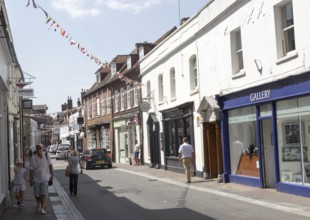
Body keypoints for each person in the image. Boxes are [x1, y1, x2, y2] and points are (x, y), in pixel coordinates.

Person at [29, 144, 53, 215]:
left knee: (44, 193)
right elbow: (31, 169)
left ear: (42, 149)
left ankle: (42, 208)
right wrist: (31, 179)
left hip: (45, 178)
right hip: (36, 179)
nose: (38, 149)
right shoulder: (33, 158)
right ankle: (38, 202)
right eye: (37, 148)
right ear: (36, 149)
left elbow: (50, 165)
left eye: (40, 148)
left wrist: (52, 175)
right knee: (37, 195)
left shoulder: (46, 156)